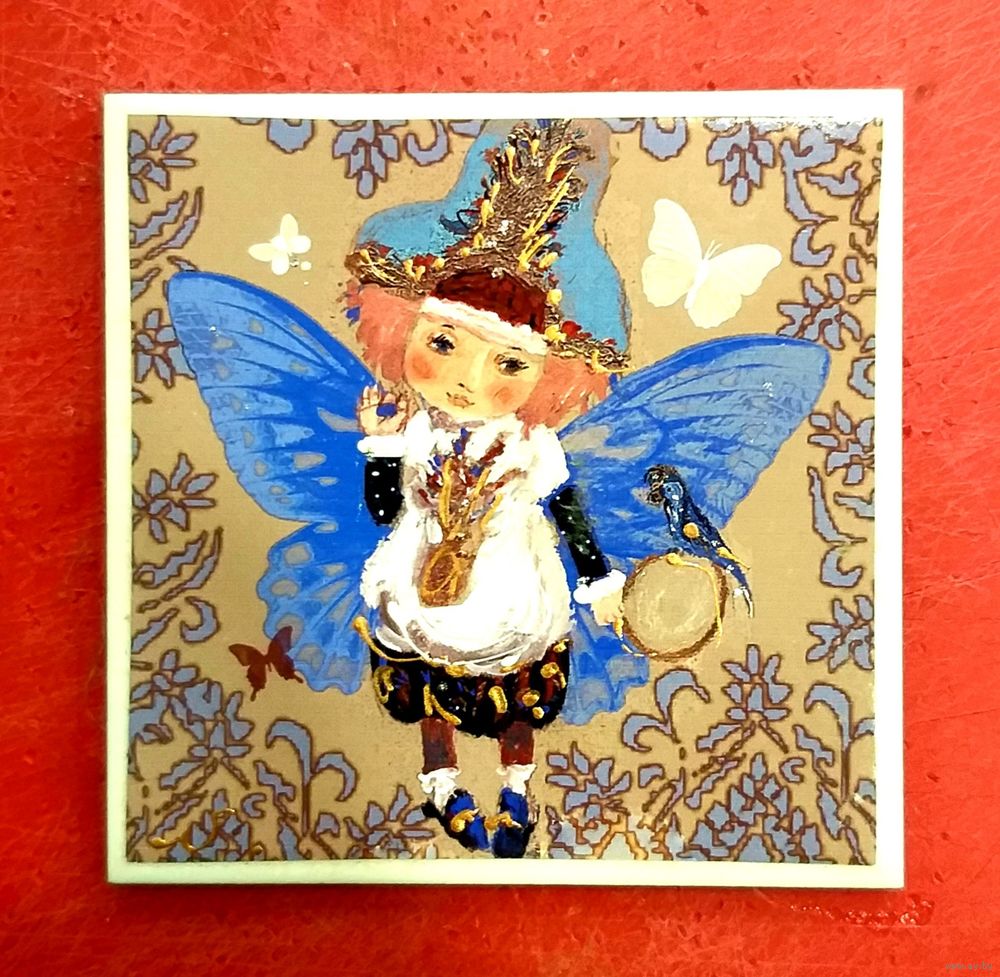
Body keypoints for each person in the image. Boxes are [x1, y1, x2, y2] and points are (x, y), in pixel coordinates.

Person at [343, 121, 630, 857]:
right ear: (402, 333)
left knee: (517, 691)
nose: (468, 381)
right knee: (427, 682)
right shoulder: (412, 430)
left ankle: (516, 787)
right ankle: (441, 782)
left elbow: (567, 509)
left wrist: (597, 576)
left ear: (550, 378)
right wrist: (381, 445)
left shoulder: (532, 446)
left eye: (509, 364)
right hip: (420, 584)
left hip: (510, 586)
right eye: (443, 344)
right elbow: (383, 511)